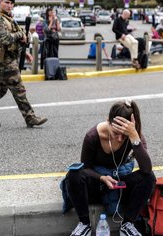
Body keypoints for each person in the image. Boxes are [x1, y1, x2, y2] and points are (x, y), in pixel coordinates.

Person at [64, 100, 155, 236]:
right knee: (73, 174)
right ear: (108, 121)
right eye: (115, 133)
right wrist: (101, 178)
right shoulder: (93, 136)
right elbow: (86, 168)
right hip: (98, 184)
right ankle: (84, 224)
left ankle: (128, 224)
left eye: (124, 135)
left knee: (149, 178)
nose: (119, 139)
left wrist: (134, 137)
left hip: (119, 185)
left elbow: (146, 169)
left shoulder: (134, 136)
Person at [0, 0, 47, 128]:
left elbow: (14, 40)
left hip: (10, 57)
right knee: (18, 89)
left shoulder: (7, 18)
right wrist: (20, 34)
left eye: (11, 3)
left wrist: (24, 52)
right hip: (6, 60)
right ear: (0, 2)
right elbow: (5, 39)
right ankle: (30, 118)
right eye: (6, 2)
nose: (9, 5)